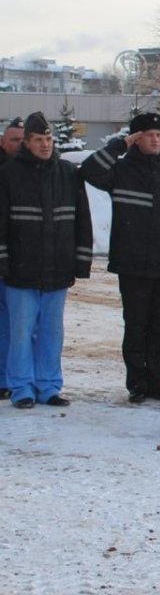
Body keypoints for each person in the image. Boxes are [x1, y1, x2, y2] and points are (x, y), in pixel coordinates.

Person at [82, 112, 160, 403]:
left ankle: (156, 381)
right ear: (136, 139)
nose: (155, 138)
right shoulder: (121, 172)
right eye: (148, 134)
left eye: (159, 134)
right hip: (133, 263)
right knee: (136, 324)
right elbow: (89, 171)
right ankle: (137, 383)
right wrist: (119, 145)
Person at [0, 112, 92, 408]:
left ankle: (49, 385)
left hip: (58, 267)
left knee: (52, 331)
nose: (44, 145)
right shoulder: (9, 175)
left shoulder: (68, 173)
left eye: (48, 139)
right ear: (26, 143)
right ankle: (22, 388)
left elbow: (82, 220)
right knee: (21, 331)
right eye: (38, 140)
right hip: (20, 269)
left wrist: (81, 259)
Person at [0, 117, 23, 400]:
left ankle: (10, 377)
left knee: (18, 326)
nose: (18, 144)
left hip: (22, 262)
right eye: (13, 139)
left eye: (22, 139)